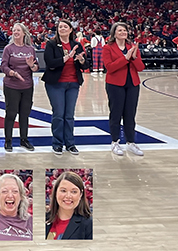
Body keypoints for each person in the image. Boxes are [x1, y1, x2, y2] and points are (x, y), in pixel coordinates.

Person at [42, 20, 89, 155]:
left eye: (65, 27)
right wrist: (67, 57)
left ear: (70, 30)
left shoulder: (77, 45)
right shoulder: (51, 44)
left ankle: (70, 144)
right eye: (60, 27)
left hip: (73, 83)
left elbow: (85, 66)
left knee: (69, 116)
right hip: (56, 84)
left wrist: (81, 60)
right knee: (58, 114)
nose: (62, 28)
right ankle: (57, 144)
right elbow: (50, 63)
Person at [102, 22, 146, 156]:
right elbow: (109, 67)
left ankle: (131, 142)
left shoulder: (133, 47)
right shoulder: (107, 48)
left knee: (130, 114)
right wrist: (125, 58)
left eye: (124, 30)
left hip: (132, 84)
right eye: (119, 30)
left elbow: (140, 67)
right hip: (115, 84)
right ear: (114, 33)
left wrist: (133, 57)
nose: (122, 32)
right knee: (116, 113)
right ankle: (115, 142)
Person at [0, 23, 39, 152]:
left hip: (27, 86)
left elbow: (36, 67)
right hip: (12, 85)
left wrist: (30, 65)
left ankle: (24, 139)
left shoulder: (30, 49)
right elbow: (3, 66)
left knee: (25, 114)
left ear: (24, 33)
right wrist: (13, 73)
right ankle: (8, 141)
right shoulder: (8, 49)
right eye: (14, 30)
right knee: (11, 113)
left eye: (18, 30)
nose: (15, 32)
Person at [46, 171, 92, 240]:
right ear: (55, 192)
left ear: (81, 194)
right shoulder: (44, 219)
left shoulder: (89, 224)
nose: (68, 196)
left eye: (74, 192)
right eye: (63, 191)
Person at [0, 174, 32, 241]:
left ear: (21, 196)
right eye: (4, 191)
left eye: (15, 191)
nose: (10, 195)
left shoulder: (31, 222)